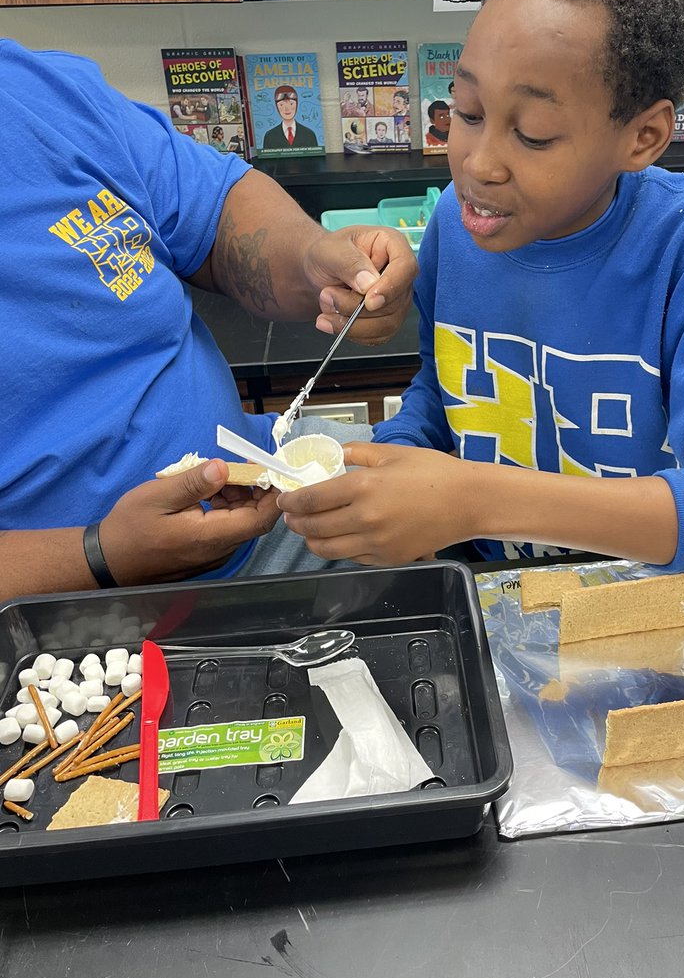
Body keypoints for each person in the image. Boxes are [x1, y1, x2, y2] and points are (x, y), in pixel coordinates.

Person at [279, 0, 684, 581]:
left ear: (642, 137)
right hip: (495, 603)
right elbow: (450, 399)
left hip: (653, 619)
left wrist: (473, 500)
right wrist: (387, 477)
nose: (478, 163)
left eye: (536, 133)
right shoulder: (461, 231)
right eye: (466, 111)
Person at [0, 38, 417, 601]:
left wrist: (312, 261)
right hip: (83, 614)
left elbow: (215, 211)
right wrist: (103, 556)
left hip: (267, 474)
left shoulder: (34, 89)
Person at [262, 85, 319, 151]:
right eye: (281, 105)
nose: (287, 109)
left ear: (296, 105)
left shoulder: (309, 134)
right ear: (277, 107)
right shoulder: (269, 136)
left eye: (291, 104)